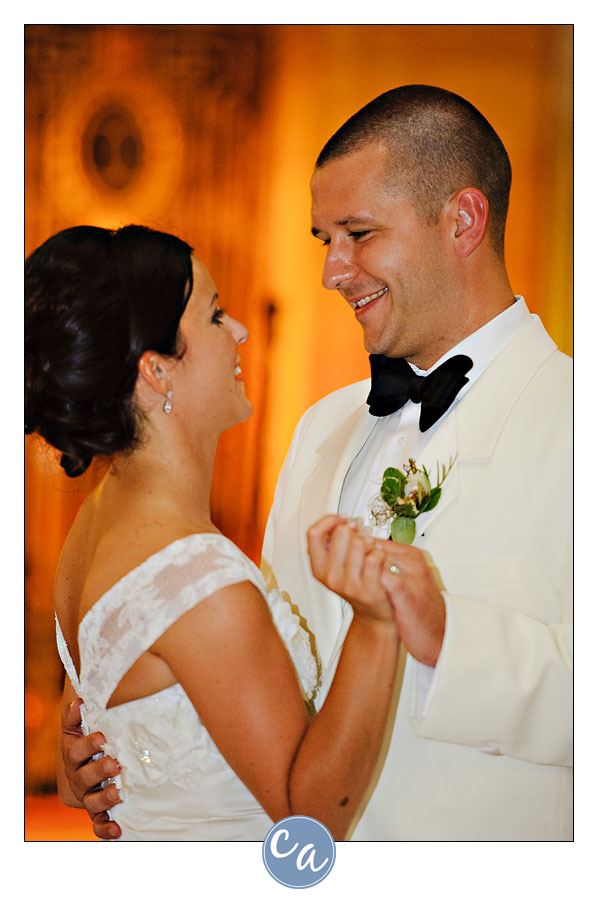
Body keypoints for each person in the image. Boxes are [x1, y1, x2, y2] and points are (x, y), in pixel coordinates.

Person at [61, 84, 572, 841]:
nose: (332, 271)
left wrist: (449, 639)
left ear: (462, 220)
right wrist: (117, 748)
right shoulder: (321, 427)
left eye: (359, 234)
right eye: (323, 240)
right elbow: (259, 685)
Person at [26, 223, 403, 841]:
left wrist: (81, 769)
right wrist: (376, 622)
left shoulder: (92, 526)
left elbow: (80, 765)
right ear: (156, 371)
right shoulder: (195, 577)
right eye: (215, 314)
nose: (241, 332)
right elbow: (310, 818)